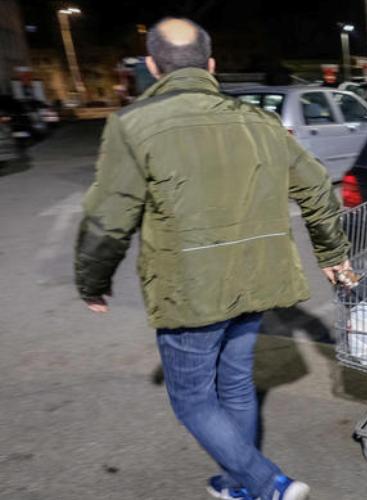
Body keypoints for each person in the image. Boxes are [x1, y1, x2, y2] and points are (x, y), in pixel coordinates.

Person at [73, 18, 350, 500]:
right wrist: (331, 252)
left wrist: (91, 281)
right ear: (212, 65)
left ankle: (268, 485)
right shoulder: (260, 121)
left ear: (153, 66)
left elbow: (108, 218)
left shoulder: (134, 124)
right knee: (236, 386)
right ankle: (239, 485)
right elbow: (315, 185)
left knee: (193, 400)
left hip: (192, 290)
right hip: (258, 281)